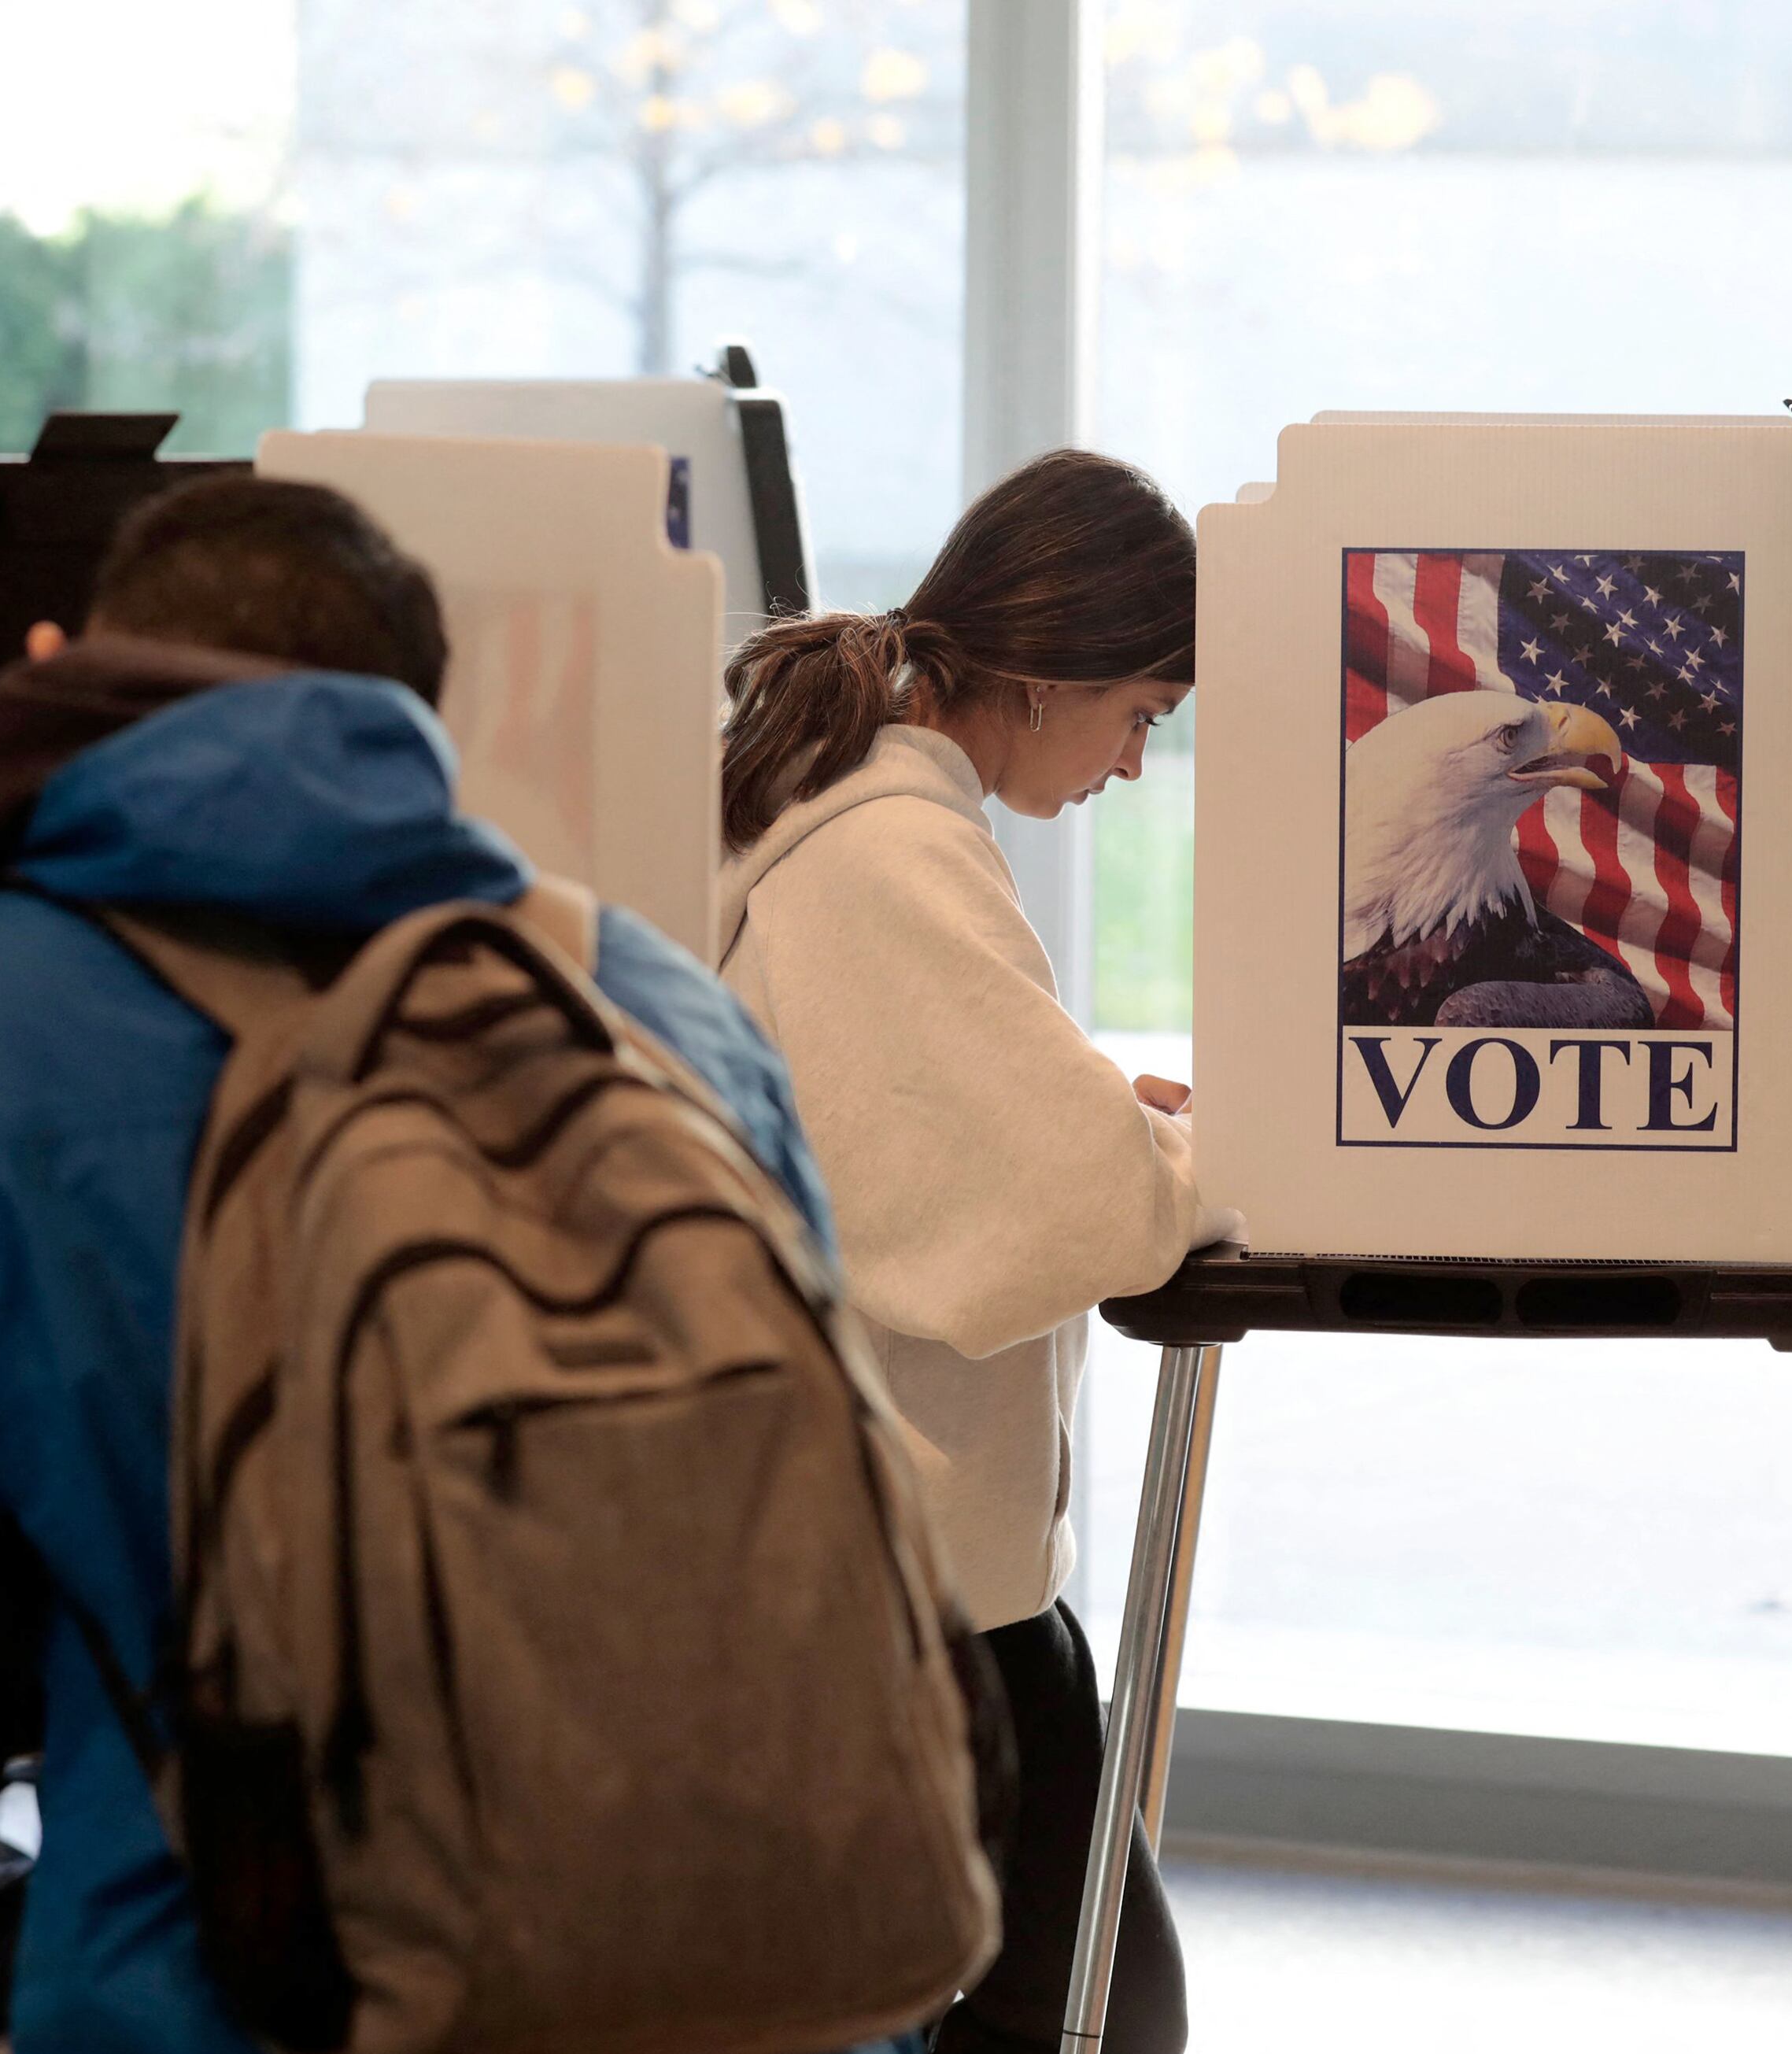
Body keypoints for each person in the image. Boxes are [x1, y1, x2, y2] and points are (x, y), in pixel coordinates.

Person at [0, 476, 856, 2051]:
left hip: (247, 1974)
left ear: (63, 670)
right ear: (416, 721)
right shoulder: (649, 1000)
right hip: (749, 1962)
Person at [713, 449, 1229, 2054]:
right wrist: (1207, 1156)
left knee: (1083, 1986)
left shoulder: (854, 790)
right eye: (1141, 713)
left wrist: (1095, 1118)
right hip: (892, 1565)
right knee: (1087, 2008)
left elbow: (959, 1119)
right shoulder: (884, 847)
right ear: (1047, 670)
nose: (1135, 764)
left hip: (892, 1543)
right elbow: (1053, 1206)